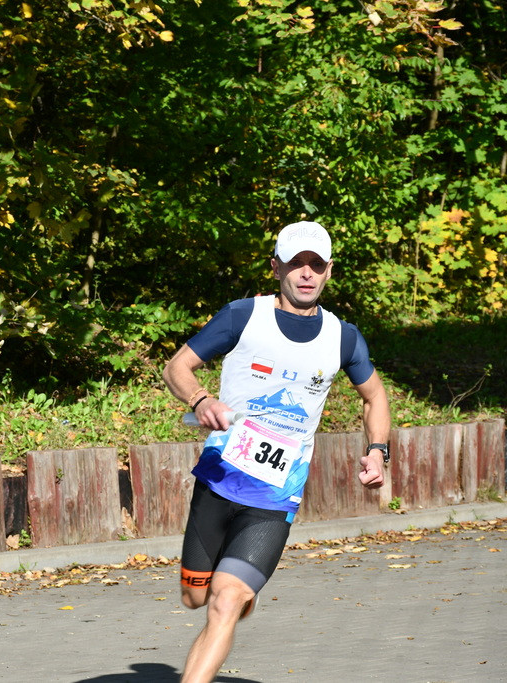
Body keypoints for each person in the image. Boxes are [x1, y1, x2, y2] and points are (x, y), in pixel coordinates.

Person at [162, 221, 390, 683]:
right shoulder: (242, 315)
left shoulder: (343, 337)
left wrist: (378, 450)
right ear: (275, 268)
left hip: (274, 496)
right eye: (295, 263)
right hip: (219, 479)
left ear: (328, 272)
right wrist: (201, 401)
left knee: (225, 602)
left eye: (316, 264)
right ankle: (238, 586)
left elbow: (375, 397)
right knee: (194, 597)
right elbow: (177, 366)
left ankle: (239, 589)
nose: (306, 273)